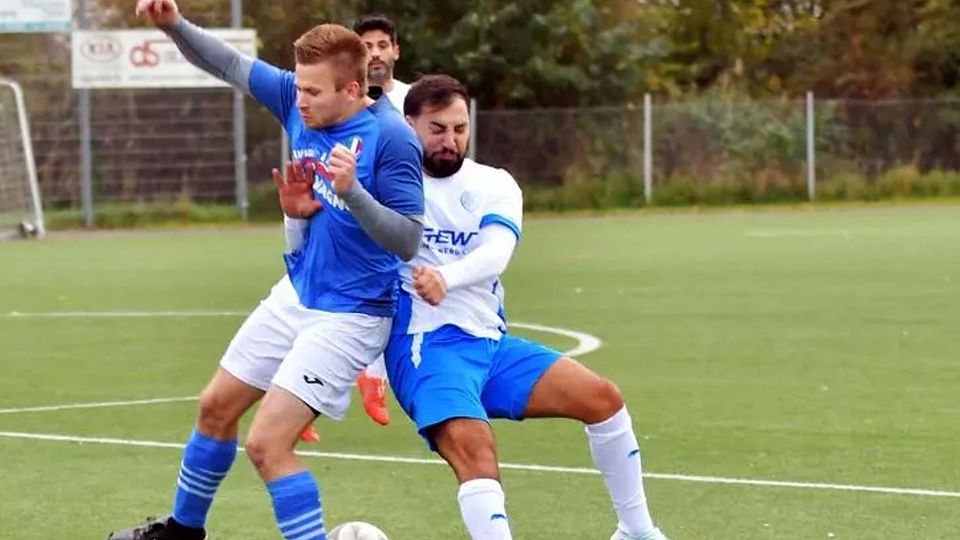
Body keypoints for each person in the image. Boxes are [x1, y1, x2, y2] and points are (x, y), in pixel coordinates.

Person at [107, 1, 423, 539]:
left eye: (313, 92)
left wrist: (354, 194)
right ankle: (184, 532)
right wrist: (172, 24)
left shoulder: (391, 139)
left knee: (267, 444)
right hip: (296, 293)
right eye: (297, 87)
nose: (299, 100)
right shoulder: (300, 102)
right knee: (215, 408)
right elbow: (227, 63)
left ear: (352, 90)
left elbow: (408, 240)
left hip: (352, 315)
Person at [386, 75, 668, 540]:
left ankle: (637, 531)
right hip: (426, 347)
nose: (449, 140)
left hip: (490, 347)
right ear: (409, 124)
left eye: (459, 128)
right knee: (477, 452)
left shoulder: (494, 184)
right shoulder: (390, 185)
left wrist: (446, 277)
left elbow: (497, 252)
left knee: (603, 400)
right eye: (436, 129)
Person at [354, 14, 410, 113]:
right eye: (367, 47)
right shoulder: (347, 101)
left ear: (396, 52)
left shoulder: (412, 98)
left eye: (382, 46)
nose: (375, 54)